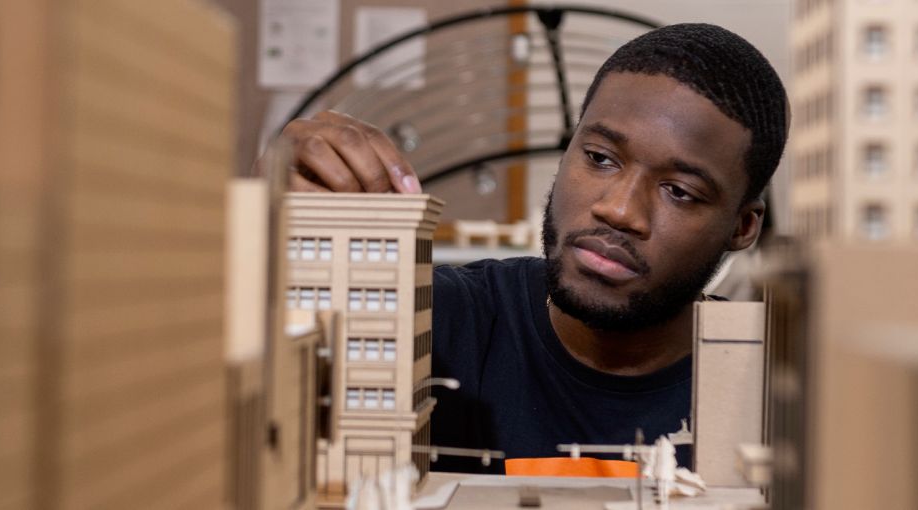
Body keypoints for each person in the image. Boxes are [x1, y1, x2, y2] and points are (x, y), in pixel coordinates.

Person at [268, 23, 787, 473]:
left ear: (743, 226)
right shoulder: (436, 322)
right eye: (601, 158)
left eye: (680, 191)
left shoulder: (774, 390)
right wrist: (272, 228)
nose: (619, 210)